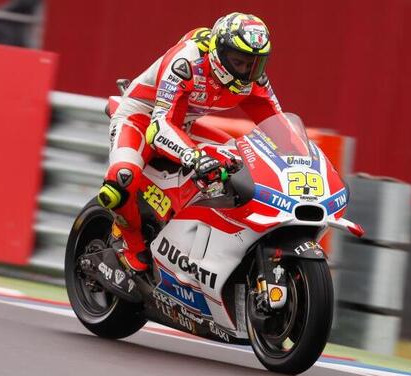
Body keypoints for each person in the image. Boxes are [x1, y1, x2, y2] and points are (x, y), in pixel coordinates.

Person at [97, 12, 282, 272]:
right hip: (142, 116)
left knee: (239, 163)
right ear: (219, 52)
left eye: (256, 63)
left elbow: (279, 126)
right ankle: (132, 245)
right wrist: (193, 156)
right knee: (121, 180)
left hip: (183, 124)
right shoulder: (186, 60)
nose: (247, 71)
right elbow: (158, 127)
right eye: (240, 62)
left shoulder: (252, 80)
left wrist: (299, 157)